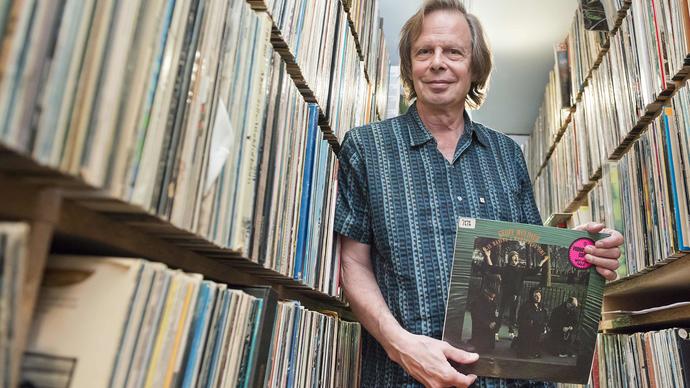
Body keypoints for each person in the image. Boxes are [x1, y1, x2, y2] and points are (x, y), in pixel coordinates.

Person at [334, 1, 624, 386]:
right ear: (410, 65)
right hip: (405, 376)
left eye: (453, 51)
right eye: (424, 51)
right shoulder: (366, 148)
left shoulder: (507, 155)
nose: (438, 63)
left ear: (474, 67)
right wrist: (400, 345)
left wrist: (582, 253)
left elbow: (533, 252)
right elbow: (352, 264)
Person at [482, 247, 550, 338]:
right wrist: (487, 256)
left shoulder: (521, 271)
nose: (516, 258)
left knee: (513, 315)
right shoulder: (505, 269)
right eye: (514, 257)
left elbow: (535, 271)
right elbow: (492, 268)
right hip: (505, 295)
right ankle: (496, 332)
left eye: (517, 257)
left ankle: (511, 331)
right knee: (501, 314)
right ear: (510, 258)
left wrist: (543, 261)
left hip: (516, 296)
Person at [515, 288, 549, 358]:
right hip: (528, 329)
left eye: (539, 295)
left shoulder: (542, 306)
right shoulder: (526, 306)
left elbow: (545, 318)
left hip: (538, 329)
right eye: (536, 296)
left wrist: (544, 325)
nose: (538, 297)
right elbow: (521, 319)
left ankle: (534, 351)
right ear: (532, 296)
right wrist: (529, 322)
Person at [468, 286, 499, 352]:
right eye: (490, 297)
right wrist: (487, 323)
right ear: (486, 294)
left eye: (493, 298)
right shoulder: (477, 302)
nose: (492, 299)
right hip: (481, 324)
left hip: (489, 323)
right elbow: (477, 316)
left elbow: (495, 315)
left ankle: (488, 346)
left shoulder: (493, 304)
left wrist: (494, 322)